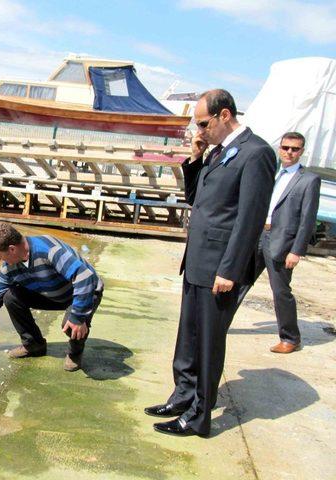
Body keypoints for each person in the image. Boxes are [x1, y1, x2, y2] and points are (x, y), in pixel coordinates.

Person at [145, 89, 276, 437]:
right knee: (187, 336)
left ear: (225, 115)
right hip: (197, 261)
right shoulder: (217, 152)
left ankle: (200, 416)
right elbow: (198, 201)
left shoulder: (256, 153)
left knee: (207, 341)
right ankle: (183, 395)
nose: (199, 131)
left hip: (220, 267)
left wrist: (230, 270)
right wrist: (196, 159)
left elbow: (250, 218)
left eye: (204, 124)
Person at [0, 222, 104, 372]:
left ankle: (75, 352)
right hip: (53, 293)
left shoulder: (49, 250)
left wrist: (78, 316)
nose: (0, 260)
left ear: (12, 249)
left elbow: (85, 277)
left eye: (0, 256)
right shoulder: (9, 268)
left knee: (72, 323)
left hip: (85, 291)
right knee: (10, 296)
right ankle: (34, 345)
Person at [236, 132, 321, 354]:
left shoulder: (309, 180)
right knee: (238, 281)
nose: (289, 152)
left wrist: (297, 250)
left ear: (302, 151)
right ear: (279, 148)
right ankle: (218, 324)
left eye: (294, 149)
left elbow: (307, 219)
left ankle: (291, 338)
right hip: (256, 236)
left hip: (281, 243)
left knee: (280, 291)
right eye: (285, 148)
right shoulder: (271, 173)